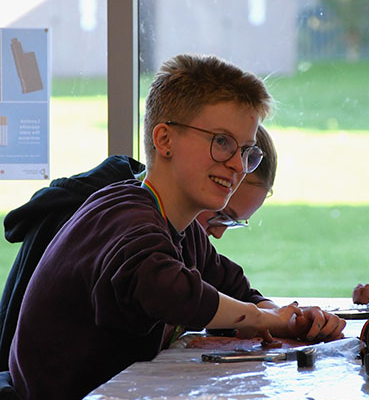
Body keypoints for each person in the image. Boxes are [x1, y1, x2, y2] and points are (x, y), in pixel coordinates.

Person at [9, 54, 346, 400]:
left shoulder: (182, 229)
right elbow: (167, 289)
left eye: (246, 151)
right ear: (165, 139)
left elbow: (236, 289)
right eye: (222, 143)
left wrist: (289, 317)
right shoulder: (126, 216)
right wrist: (267, 320)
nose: (237, 165)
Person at [0, 124, 275, 371]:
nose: (219, 232)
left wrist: (278, 315)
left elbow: (228, 286)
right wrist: (257, 316)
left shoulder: (183, 230)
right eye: (220, 213)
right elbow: (171, 293)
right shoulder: (121, 224)